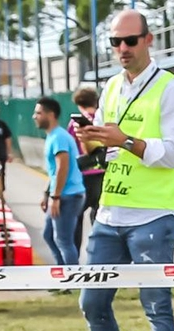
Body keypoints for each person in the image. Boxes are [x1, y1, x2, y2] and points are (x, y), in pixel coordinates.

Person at [72, 9, 174, 331]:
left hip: (155, 215)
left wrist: (127, 141)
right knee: (92, 302)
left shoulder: (172, 89)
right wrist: (91, 142)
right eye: (115, 43)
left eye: (130, 41)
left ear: (149, 39)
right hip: (111, 211)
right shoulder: (110, 88)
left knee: (157, 307)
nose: (122, 49)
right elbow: (108, 151)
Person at [34, 97, 85, 267]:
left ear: (51, 115)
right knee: (48, 235)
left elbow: (63, 166)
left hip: (69, 195)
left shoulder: (59, 138)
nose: (35, 116)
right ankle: (61, 273)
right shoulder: (53, 136)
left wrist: (56, 197)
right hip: (60, 194)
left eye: (39, 113)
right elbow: (54, 172)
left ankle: (73, 279)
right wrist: (47, 193)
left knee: (63, 240)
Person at [68, 86, 106, 257]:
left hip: (82, 175)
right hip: (101, 173)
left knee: (75, 217)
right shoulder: (101, 119)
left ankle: (74, 258)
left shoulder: (76, 123)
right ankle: (99, 254)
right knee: (99, 215)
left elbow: (71, 148)